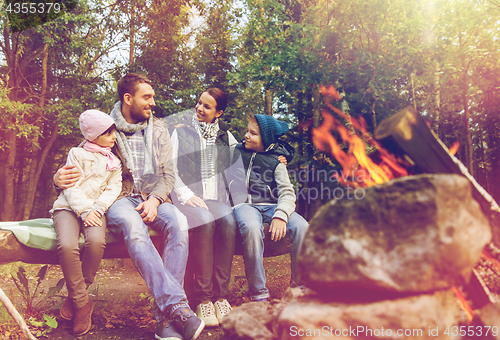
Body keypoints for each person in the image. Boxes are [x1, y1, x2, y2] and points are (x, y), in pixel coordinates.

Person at [53, 73, 204, 340]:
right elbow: (83, 169)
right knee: (135, 228)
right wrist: (58, 179)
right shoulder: (105, 127)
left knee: (179, 224)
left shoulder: (158, 129)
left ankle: (166, 317)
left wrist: (156, 200)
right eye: (147, 97)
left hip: (155, 197)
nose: (153, 103)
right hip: (119, 199)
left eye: (153, 97)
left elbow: (168, 174)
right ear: (127, 98)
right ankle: (178, 309)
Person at [170, 88, 237, 327]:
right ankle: (204, 299)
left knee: (229, 221)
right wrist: (186, 195)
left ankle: (221, 297)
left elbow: (249, 158)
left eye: (207, 106)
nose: (199, 108)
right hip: (185, 197)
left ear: (218, 112)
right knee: (205, 220)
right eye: (199, 103)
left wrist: (280, 156)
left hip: (213, 199)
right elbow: (170, 169)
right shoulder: (181, 132)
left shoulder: (226, 138)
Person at [51, 109, 122, 336]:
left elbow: (114, 188)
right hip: (68, 208)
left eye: (114, 132)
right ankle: (83, 303)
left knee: (95, 242)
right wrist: (84, 211)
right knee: (68, 245)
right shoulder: (76, 154)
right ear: (93, 135)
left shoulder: (114, 161)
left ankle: (76, 296)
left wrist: (98, 209)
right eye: (108, 133)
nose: (114, 137)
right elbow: (70, 185)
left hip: (97, 210)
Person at [232, 113, 309, 302]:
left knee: (303, 227)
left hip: (272, 206)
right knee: (251, 227)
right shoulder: (236, 151)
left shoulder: (276, 161)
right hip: (245, 204)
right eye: (247, 131)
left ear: (265, 139)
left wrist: (281, 215)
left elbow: (288, 193)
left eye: (253, 133)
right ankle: (258, 293)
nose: (246, 136)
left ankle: (299, 288)